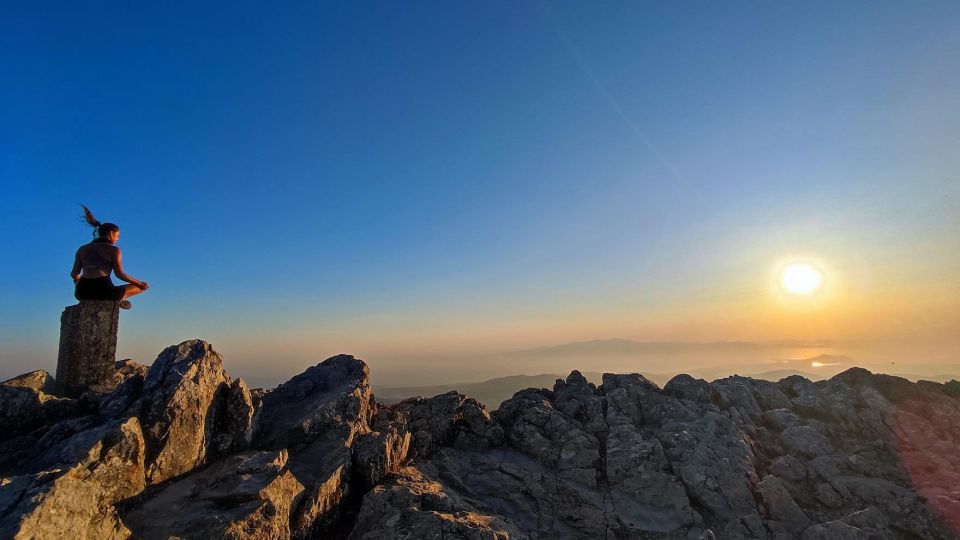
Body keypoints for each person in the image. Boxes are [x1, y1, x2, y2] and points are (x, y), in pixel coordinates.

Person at [71, 205, 149, 309]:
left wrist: (78, 281)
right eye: (117, 236)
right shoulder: (113, 250)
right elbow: (119, 274)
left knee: (79, 281)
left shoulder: (82, 249)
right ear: (111, 234)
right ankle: (119, 300)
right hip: (106, 293)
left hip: (82, 293)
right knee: (140, 287)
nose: (117, 239)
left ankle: (118, 299)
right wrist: (140, 283)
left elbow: (74, 274)